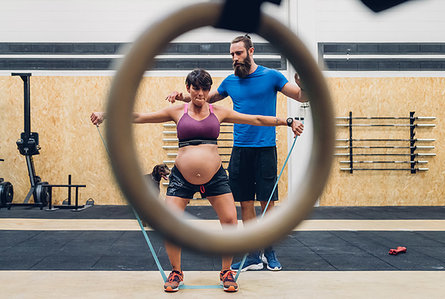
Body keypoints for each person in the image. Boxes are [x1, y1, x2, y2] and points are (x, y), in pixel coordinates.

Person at [91, 69, 303, 292]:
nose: (200, 93)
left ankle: (226, 271)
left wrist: (287, 121)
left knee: (230, 221)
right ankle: (176, 272)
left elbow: (256, 118)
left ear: (209, 90)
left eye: (204, 88)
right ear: (188, 88)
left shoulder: (218, 111)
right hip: (182, 177)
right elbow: (140, 117)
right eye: (196, 88)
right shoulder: (177, 111)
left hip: (215, 177)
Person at [166, 35, 308, 272]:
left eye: (238, 53)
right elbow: (203, 99)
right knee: (245, 203)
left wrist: (306, 85)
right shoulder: (230, 81)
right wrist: (181, 95)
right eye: (231, 55)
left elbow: (302, 96)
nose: (234, 58)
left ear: (250, 51)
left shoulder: (272, 76)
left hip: (265, 148)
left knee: (267, 203)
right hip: (240, 149)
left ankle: (269, 251)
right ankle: (253, 254)